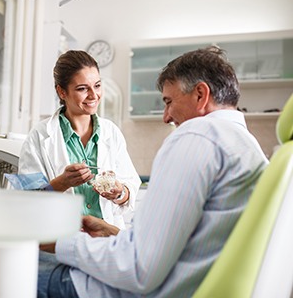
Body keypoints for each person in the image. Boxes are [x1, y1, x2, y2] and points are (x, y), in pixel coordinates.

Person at [37, 46, 269, 298]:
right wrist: (113, 232)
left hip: (120, 287)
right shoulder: (246, 145)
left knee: (9, 266)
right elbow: (183, 244)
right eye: (83, 88)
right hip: (150, 269)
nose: (166, 116)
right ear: (62, 92)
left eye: (169, 101)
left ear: (201, 94)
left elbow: (138, 269)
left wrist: (62, 242)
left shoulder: (197, 136)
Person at [18, 50, 141, 229]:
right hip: (60, 241)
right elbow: (26, 200)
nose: (93, 95)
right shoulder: (39, 136)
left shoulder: (111, 133)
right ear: (61, 92)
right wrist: (62, 182)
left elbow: (131, 185)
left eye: (97, 85)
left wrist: (120, 192)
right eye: (82, 88)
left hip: (106, 241)